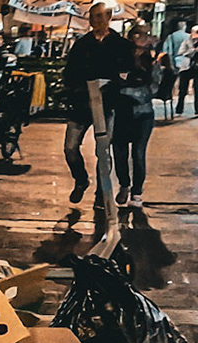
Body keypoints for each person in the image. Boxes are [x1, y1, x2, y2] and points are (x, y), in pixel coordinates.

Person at [61, 2, 134, 206]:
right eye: (92, 17)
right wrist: (76, 87)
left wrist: (114, 84)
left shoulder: (121, 44)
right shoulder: (82, 44)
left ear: (108, 17)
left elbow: (128, 72)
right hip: (81, 104)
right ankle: (81, 180)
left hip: (108, 105)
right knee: (70, 148)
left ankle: (102, 193)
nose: (96, 21)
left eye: (100, 16)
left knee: (103, 151)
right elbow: (69, 72)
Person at [113, 27, 162, 206]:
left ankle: (137, 192)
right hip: (121, 112)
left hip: (143, 114)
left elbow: (153, 88)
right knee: (120, 152)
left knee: (138, 153)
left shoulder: (151, 61)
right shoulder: (119, 59)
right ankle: (124, 184)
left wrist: (126, 88)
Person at [167, 19, 194, 115]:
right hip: (188, 64)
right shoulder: (188, 37)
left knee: (181, 86)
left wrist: (170, 63)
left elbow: (168, 51)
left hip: (179, 63)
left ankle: (179, 107)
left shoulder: (171, 37)